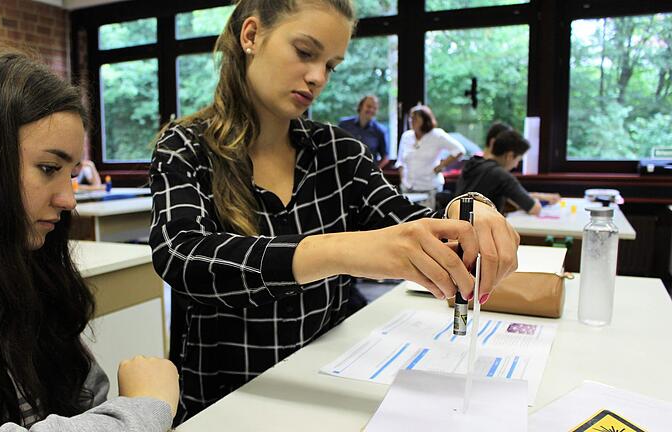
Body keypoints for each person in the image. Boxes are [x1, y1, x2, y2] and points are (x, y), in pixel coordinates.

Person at [149, 0, 519, 422]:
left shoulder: (338, 152)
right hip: (224, 404)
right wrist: (343, 251)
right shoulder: (186, 147)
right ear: (251, 36)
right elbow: (184, 256)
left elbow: (404, 219)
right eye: (306, 52)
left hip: (324, 391)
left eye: (331, 65)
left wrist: (469, 211)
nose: (318, 77)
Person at [0, 47, 178, 430]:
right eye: (48, 168)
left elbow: (86, 398)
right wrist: (146, 406)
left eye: (71, 172)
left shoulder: (29, 270)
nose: (68, 199)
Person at [455, 129, 559, 215]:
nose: (516, 165)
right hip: (482, 233)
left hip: (456, 228)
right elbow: (534, 209)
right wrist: (540, 201)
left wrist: (541, 196)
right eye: (518, 159)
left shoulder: (473, 164)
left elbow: (517, 195)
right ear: (509, 156)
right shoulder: (501, 175)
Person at [396, 104, 466, 209]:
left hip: (429, 188)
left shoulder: (437, 135)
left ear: (425, 120)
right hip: (407, 187)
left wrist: (440, 166)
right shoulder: (406, 136)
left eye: (416, 118)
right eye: (411, 118)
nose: (412, 120)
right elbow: (400, 161)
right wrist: (402, 179)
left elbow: (459, 150)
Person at [338, 95, 390, 168]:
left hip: (366, 175)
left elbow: (385, 157)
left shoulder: (380, 130)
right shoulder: (344, 125)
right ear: (360, 106)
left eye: (375, 108)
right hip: (344, 171)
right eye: (368, 106)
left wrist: (374, 172)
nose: (371, 110)